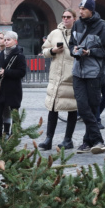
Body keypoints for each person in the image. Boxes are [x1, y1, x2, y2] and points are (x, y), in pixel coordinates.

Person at [69, 0, 105, 154]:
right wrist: (74, 51)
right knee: (82, 106)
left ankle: (87, 142)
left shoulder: (102, 26)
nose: (80, 11)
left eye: (84, 9)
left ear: (91, 10)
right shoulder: (77, 24)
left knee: (93, 106)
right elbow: (71, 44)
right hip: (78, 72)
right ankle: (98, 140)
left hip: (94, 72)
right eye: (80, 8)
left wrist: (91, 52)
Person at [38, 9, 78, 151]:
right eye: (63, 17)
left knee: (72, 108)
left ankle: (68, 139)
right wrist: (52, 51)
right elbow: (44, 51)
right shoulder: (55, 33)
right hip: (55, 77)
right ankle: (49, 139)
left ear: (74, 18)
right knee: (52, 108)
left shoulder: (78, 33)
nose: (65, 19)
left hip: (71, 77)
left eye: (68, 17)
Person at [0, 31, 26, 144]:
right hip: (2, 87)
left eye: (8, 40)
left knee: (14, 112)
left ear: (15, 41)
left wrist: (6, 72)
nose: (6, 42)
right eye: (5, 40)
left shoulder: (19, 55)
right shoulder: (1, 53)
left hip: (13, 88)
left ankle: (14, 135)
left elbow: (21, 72)